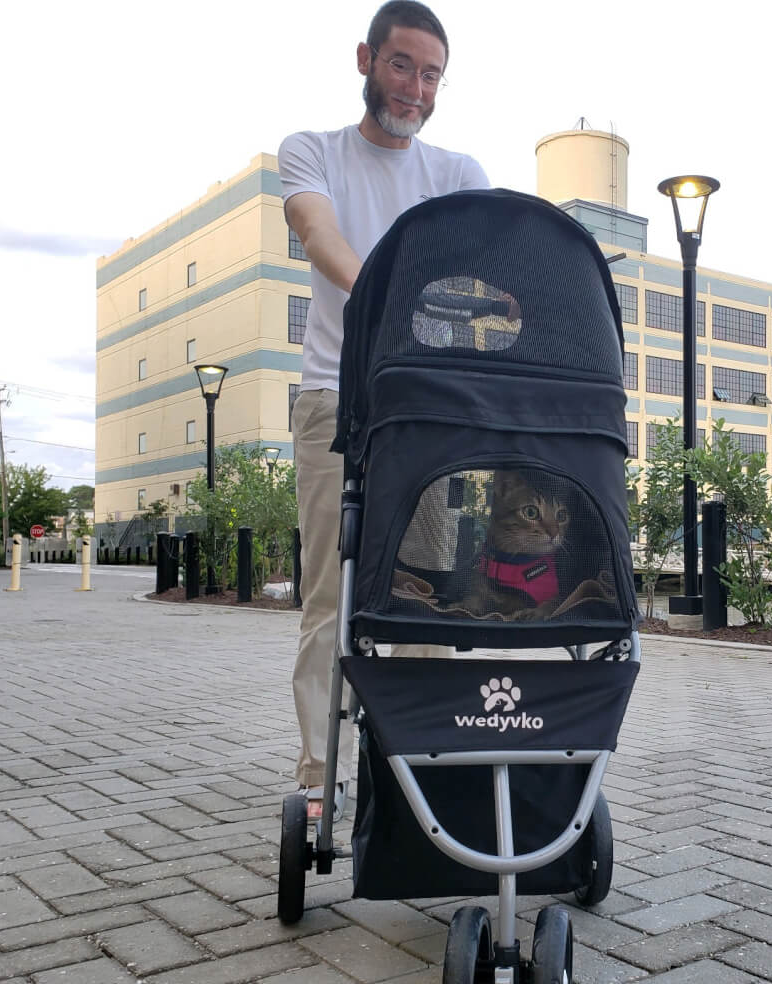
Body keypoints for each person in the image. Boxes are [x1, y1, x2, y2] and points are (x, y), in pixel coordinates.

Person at [279, 0, 489, 822]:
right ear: (366, 59)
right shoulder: (314, 151)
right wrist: (394, 298)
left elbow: (481, 271)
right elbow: (317, 233)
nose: (415, 87)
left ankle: (421, 769)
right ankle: (318, 780)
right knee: (331, 596)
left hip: (427, 407)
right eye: (402, 65)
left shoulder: (458, 172)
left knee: (429, 592)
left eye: (431, 73)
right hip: (339, 392)